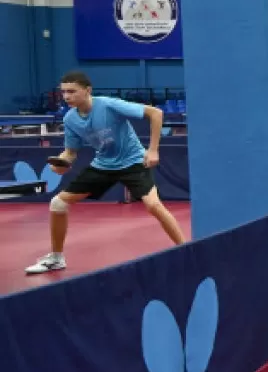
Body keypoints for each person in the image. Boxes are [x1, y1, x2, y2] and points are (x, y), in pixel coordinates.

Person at [25, 71, 186, 274]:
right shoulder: (70, 119)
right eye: (64, 92)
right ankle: (56, 258)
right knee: (58, 203)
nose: (66, 96)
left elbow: (156, 113)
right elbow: (71, 152)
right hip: (103, 165)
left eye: (72, 91)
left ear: (87, 90)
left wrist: (153, 150)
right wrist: (62, 163)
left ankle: (186, 250)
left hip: (133, 162)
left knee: (153, 205)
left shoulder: (109, 105)